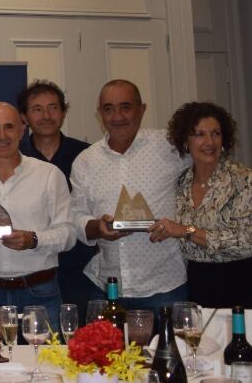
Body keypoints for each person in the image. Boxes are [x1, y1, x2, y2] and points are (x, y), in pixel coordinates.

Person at [70, 80, 190, 315]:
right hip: (107, 287)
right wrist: (97, 227)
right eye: (108, 109)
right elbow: (76, 216)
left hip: (165, 286)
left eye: (125, 107)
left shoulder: (170, 146)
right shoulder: (85, 161)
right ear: (99, 113)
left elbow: (210, 162)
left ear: (142, 109)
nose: (117, 117)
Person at [0, 103, 75, 317]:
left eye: (9, 127)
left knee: (47, 343)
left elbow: (69, 233)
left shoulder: (49, 174)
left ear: (22, 130)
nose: (2, 136)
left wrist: (33, 240)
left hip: (40, 292)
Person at [162, 102, 252, 308]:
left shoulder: (244, 178)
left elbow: (247, 241)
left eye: (216, 133)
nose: (209, 142)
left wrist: (186, 231)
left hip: (244, 279)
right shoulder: (180, 183)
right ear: (185, 141)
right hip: (198, 280)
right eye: (199, 134)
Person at [16, 80, 95, 319]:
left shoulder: (87, 155)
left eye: (53, 108)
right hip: (31, 266)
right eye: (37, 109)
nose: (46, 116)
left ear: (63, 113)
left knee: (78, 334)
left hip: (80, 266)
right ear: (24, 117)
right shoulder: (14, 157)